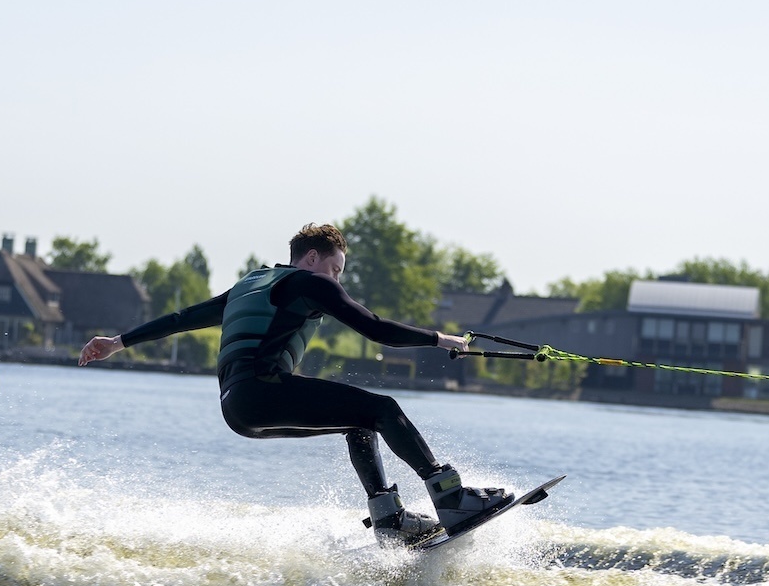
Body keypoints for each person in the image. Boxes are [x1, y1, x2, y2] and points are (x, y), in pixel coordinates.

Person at [79, 222, 512, 545]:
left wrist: (118, 342)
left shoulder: (248, 284)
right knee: (383, 409)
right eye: (335, 269)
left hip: (236, 409)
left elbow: (182, 318)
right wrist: (441, 339)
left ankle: (389, 519)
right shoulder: (310, 283)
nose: (336, 281)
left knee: (359, 421)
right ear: (312, 258)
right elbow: (376, 329)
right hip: (265, 391)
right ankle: (450, 498)